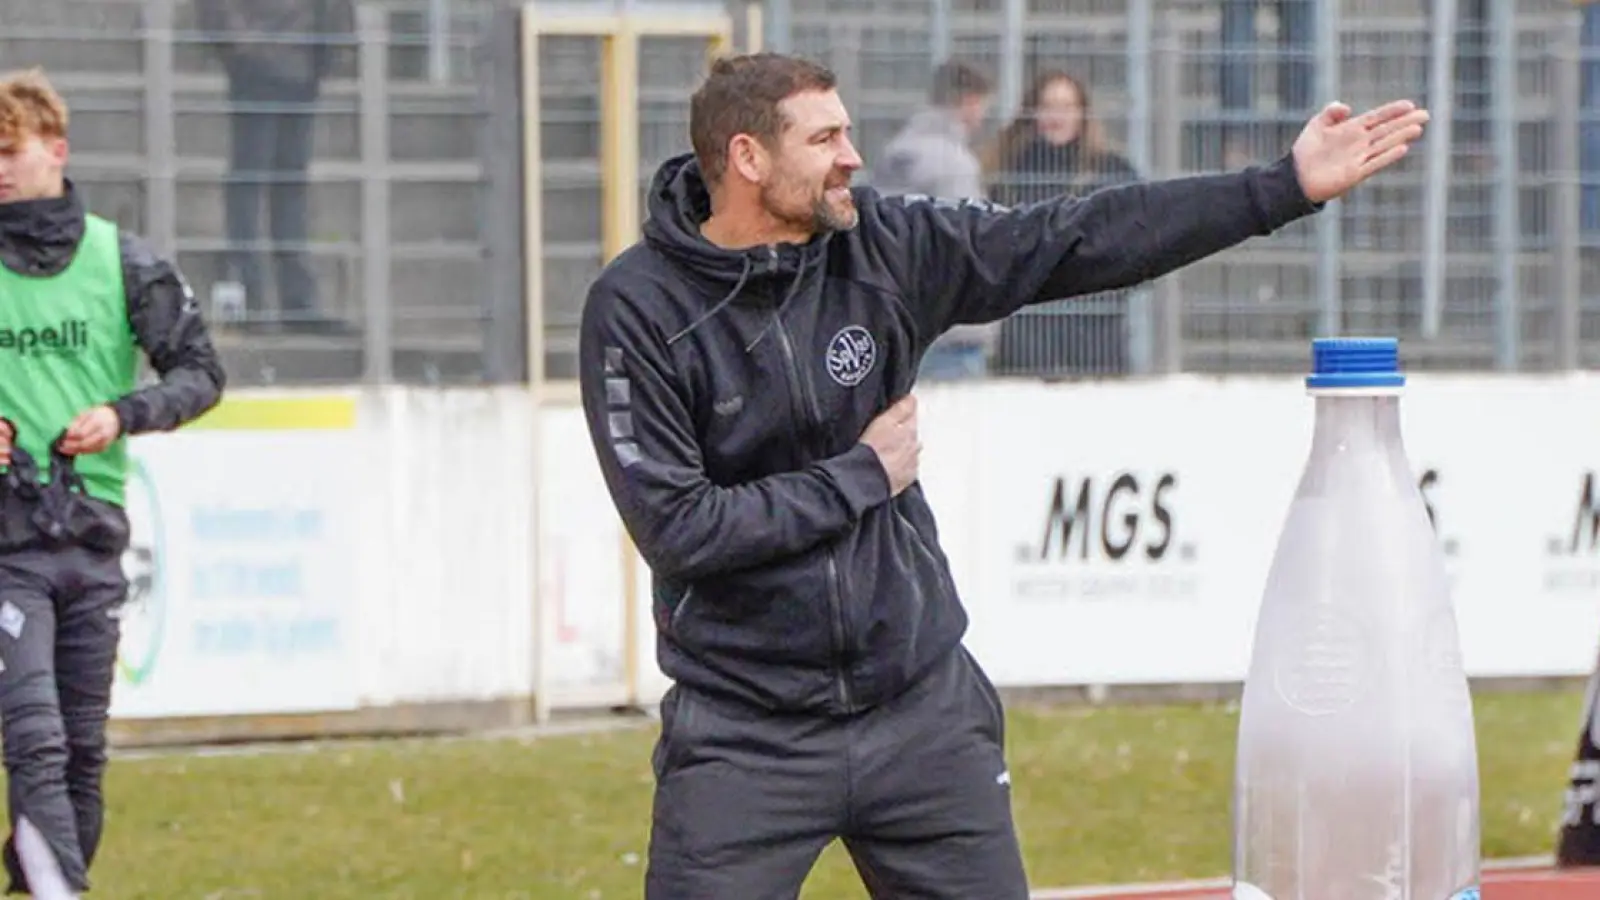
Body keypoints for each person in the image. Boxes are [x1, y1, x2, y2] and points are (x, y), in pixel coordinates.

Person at [577, 51, 1427, 899]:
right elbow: (681, 530)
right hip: (743, 734)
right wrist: (863, 475)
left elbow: (1071, 239)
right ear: (748, 158)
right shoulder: (639, 309)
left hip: (919, 711)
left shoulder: (884, 247)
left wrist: (1280, 188)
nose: (853, 156)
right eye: (825, 137)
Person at [0, 68, 226, 898]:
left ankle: (36, 882)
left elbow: (200, 373)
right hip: (5, 540)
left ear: (55, 150)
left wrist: (121, 414)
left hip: (91, 535)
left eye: (8, 151)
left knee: (84, 752)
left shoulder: (122, 261)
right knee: (35, 740)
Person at [985, 69, 1140, 378]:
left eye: (1066, 107)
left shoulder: (1111, 171)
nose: (1057, 116)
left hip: (1095, 337)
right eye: (1048, 105)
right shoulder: (1008, 171)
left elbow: (1137, 243)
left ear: (1083, 114)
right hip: (1027, 337)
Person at [872, 59, 999, 381]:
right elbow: (969, 240)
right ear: (970, 101)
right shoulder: (954, 162)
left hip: (898, 317)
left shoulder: (897, 151)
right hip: (951, 328)